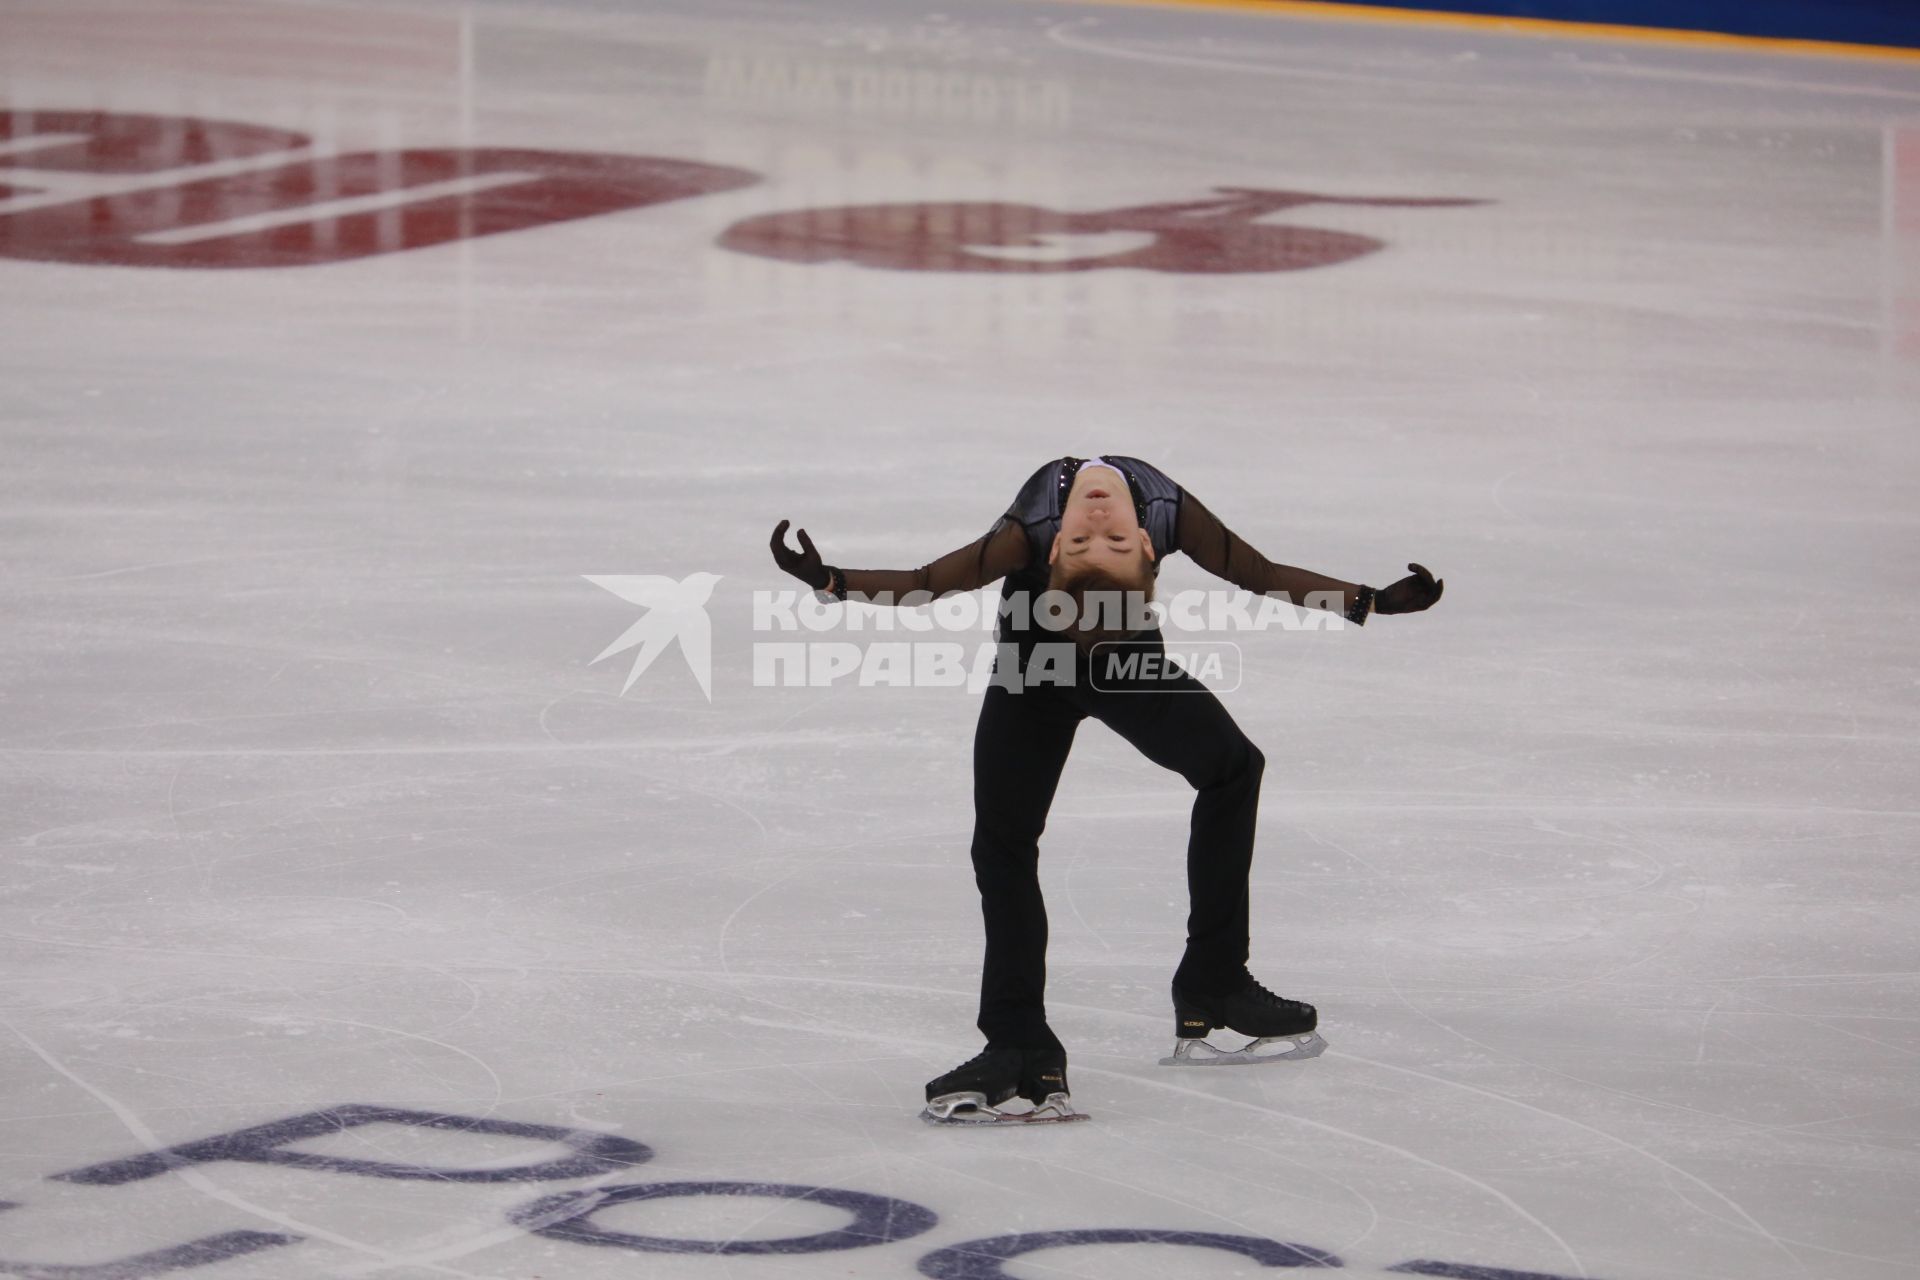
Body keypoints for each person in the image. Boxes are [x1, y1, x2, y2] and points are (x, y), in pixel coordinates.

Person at [771, 455, 1442, 1123]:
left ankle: (1214, 979)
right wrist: (829, 580)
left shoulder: (1136, 517)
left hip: (1125, 663)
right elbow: (925, 584)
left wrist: (1371, 602)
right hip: (1033, 673)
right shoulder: (1063, 525)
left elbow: (1256, 574)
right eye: (1091, 540)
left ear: (1149, 549)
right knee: (1001, 846)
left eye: (1113, 542)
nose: (1097, 523)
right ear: (1055, 547)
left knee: (1233, 769)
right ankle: (1020, 1041)